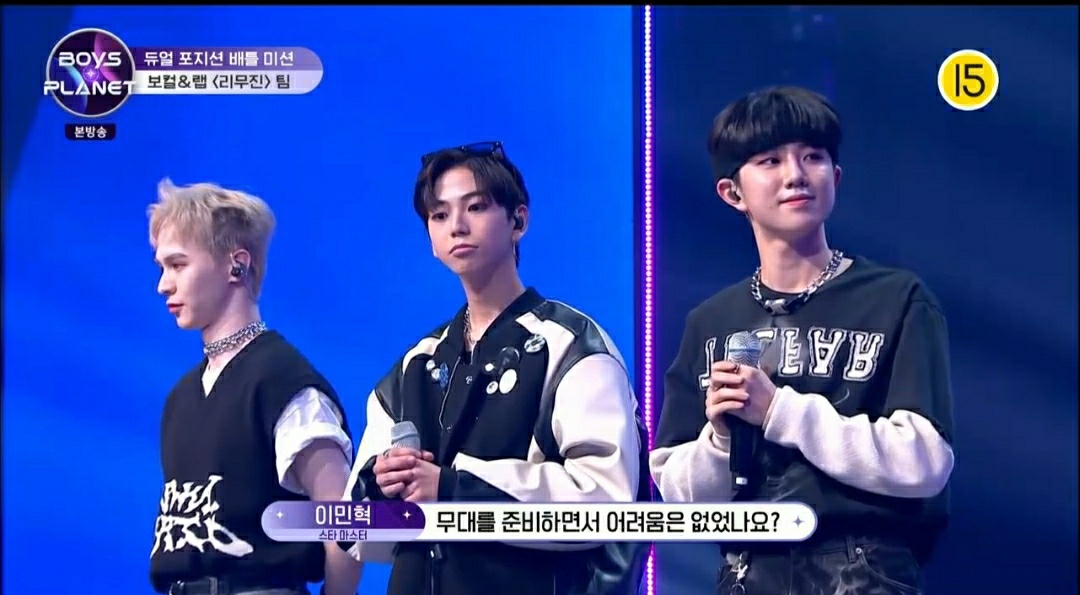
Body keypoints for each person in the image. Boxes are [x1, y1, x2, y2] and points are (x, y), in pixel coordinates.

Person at [649, 87, 956, 595]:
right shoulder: (711, 321)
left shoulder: (897, 298)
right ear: (732, 193)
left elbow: (924, 461)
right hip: (747, 572)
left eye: (813, 157)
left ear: (835, 177)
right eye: (770, 160)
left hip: (863, 570)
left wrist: (779, 411)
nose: (795, 175)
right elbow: (681, 500)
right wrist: (721, 438)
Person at [340, 141, 651, 595]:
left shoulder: (570, 345)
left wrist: (453, 490)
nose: (457, 226)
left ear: (518, 221)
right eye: (439, 215)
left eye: (476, 207)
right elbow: (354, 531)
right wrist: (382, 483)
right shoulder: (416, 365)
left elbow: (605, 502)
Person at [147, 179, 361, 595]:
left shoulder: (283, 382)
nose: (163, 285)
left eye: (178, 265)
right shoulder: (180, 398)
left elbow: (344, 521)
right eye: (162, 267)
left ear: (237, 265)